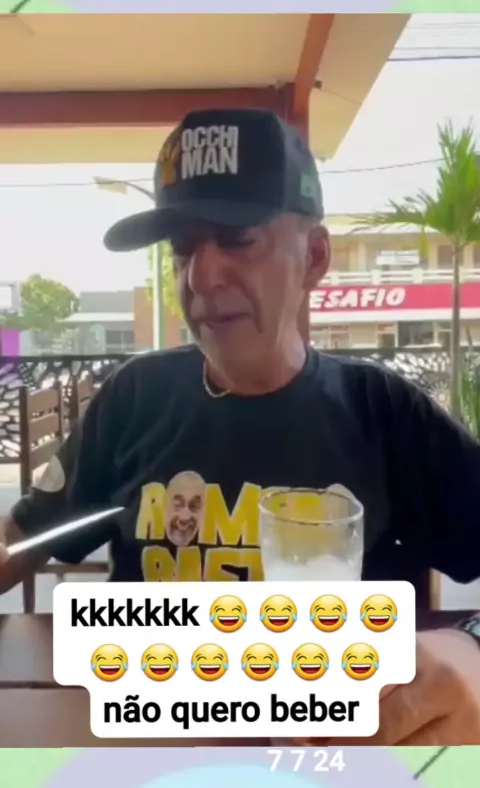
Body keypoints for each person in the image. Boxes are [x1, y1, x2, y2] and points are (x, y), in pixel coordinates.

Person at [1, 107, 480, 744]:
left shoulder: (386, 413)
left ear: (314, 257)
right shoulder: (134, 397)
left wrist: (469, 649)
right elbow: (21, 539)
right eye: (182, 249)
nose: (200, 276)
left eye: (237, 239)